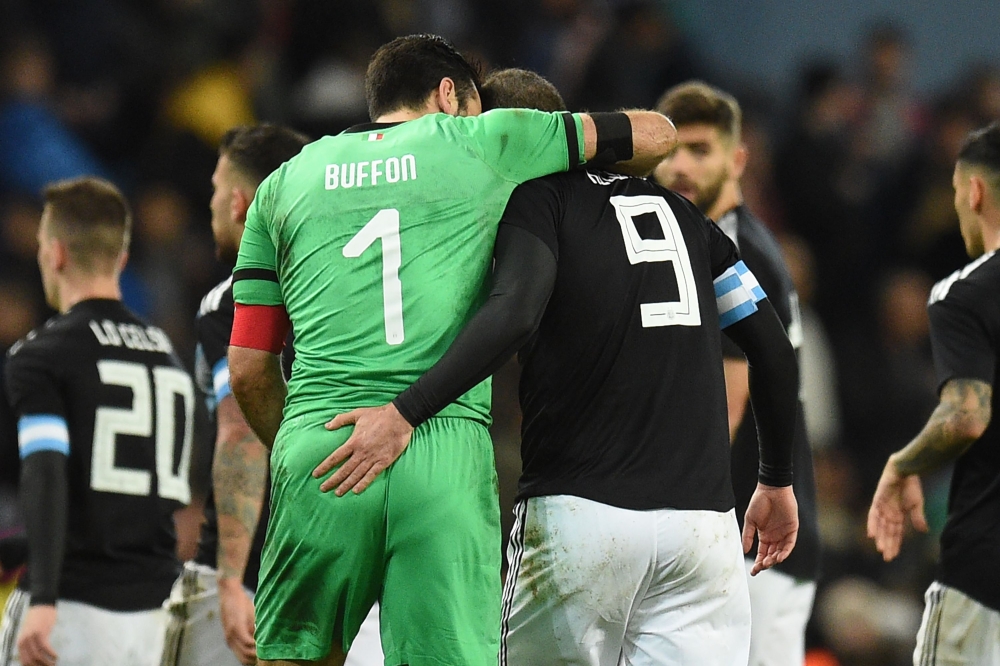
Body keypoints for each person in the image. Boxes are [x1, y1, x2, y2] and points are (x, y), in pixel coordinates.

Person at [323, 68, 800, 666]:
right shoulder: (685, 216)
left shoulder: (535, 202)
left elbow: (515, 313)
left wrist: (405, 411)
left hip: (581, 513)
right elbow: (775, 352)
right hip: (703, 530)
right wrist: (776, 479)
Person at [226, 35, 678, 666]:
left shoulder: (280, 184)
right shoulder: (483, 141)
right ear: (449, 95)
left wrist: (303, 452)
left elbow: (247, 367)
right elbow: (656, 134)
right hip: (441, 448)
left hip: (319, 445)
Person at [159, 124, 384, 666]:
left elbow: (241, 433)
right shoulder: (351, 291)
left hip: (255, 569)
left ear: (239, 203)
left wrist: (234, 580)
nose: (211, 203)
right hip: (346, 550)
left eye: (216, 188)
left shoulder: (231, 302)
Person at [654, 81, 820, 666]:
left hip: (761, 539)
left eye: (701, 150)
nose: (681, 166)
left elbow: (726, 404)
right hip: (739, 529)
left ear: (738, 159)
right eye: (672, 149)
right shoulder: (704, 242)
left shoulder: (737, 254)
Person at [0, 177, 195, 666]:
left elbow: (44, 471)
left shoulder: (42, 355)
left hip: (72, 608)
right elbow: (123, 504)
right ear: (121, 259)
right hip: (156, 616)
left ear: (55, 254)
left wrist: (43, 595)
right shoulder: (168, 355)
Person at [867, 121, 1000, 665]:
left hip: (986, 577)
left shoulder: (966, 292)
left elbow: (967, 414)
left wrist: (902, 465)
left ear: (974, 191)